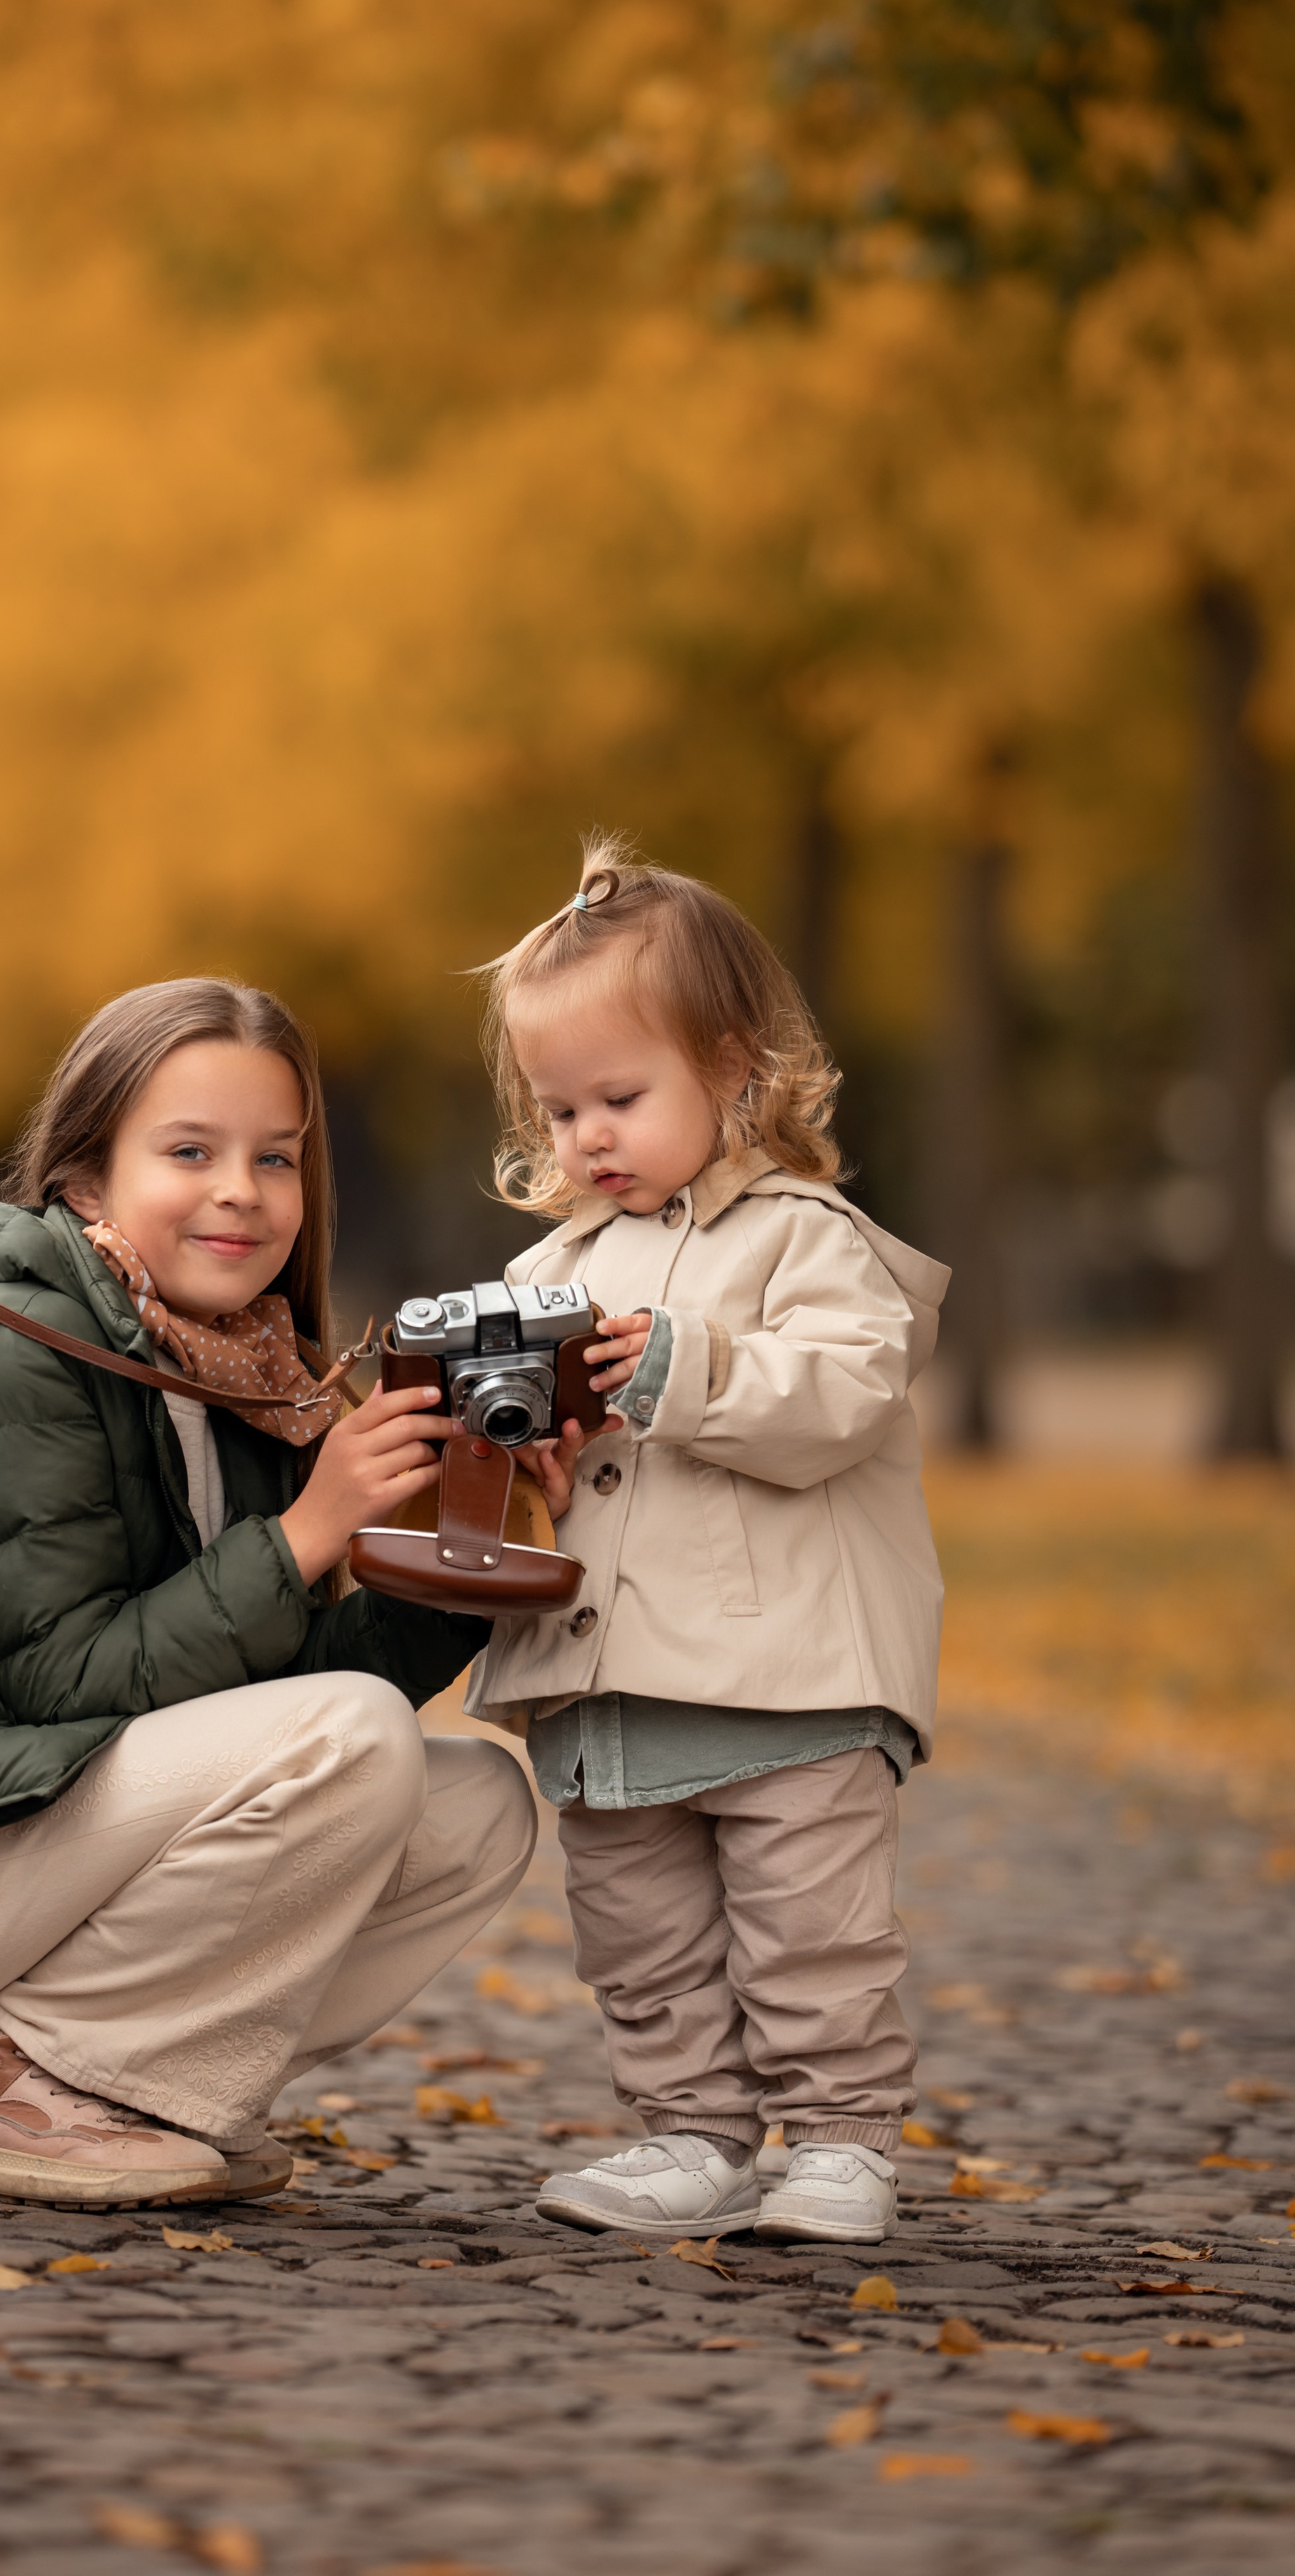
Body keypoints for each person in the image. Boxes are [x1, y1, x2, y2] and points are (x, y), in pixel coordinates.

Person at [0, 978, 535, 2210]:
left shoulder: (244, 1369)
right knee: (358, 1738)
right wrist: (310, 1531)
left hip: (22, 1828)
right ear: (87, 1182)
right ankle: (6, 2085)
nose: (241, 1191)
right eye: (190, 1151)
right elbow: (74, 1682)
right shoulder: (3, 1357)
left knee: (476, 1810)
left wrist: (470, 1537)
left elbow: (265, 1695)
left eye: (275, 1158)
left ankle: (119, 2085)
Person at [466, 843, 948, 2246]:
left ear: (732, 1068)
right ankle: (688, 2130)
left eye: (620, 1098)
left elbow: (846, 1395)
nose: (588, 1138)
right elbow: (534, 1468)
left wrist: (686, 1368)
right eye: (559, 1109)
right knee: (640, 1935)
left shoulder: (805, 1238)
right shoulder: (543, 1274)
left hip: (786, 1674)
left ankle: (840, 2140)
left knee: (812, 1928)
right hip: (608, 1673)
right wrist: (518, 1458)